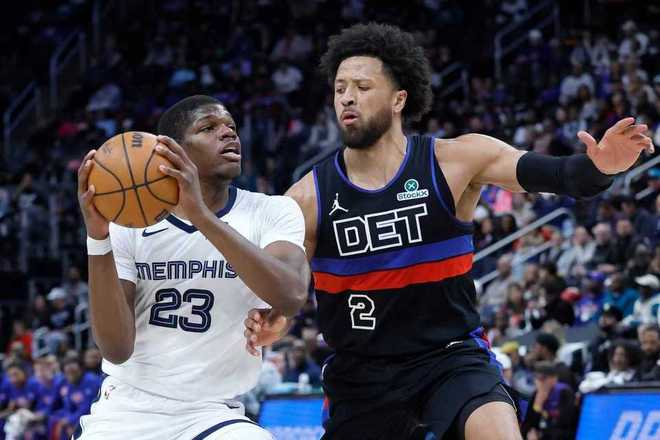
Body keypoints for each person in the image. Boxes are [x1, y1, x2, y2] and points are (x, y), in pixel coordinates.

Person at [243, 23, 653, 440]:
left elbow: (563, 174)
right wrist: (278, 319)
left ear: (399, 99)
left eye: (363, 86)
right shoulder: (306, 197)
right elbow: (288, 287)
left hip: (451, 358)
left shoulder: (456, 160)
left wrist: (601, 166)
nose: (347, 97)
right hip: (361, 375)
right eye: (340, 88)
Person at [76, 95, 309, 439]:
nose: (229, 134)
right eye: (208, 128)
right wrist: (98, 239)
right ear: (171, 151)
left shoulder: (272, 211)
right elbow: (116, 349)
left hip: (213, 412)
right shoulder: (129, 225)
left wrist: (200, 215)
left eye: (231, 127)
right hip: (127, 409)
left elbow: (291, 295)